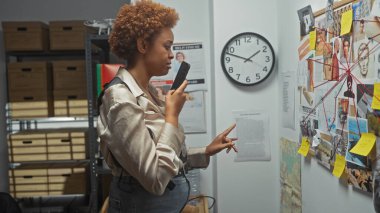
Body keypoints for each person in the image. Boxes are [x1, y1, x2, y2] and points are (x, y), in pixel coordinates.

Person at [97, 1, 238, 212]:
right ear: (143, 45)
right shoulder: (121, 99)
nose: (172, 54)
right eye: (167, 46)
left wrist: (205, 152)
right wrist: (172, 116)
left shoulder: (149, 92)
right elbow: (155, 178)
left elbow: (162, 156)